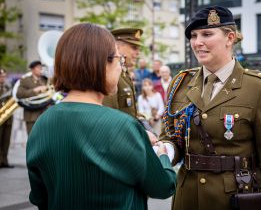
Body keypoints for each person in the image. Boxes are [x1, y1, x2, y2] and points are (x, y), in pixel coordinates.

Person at [26, 23, 176, 209]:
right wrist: (162, 157)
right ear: (100, 63)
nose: (121, 68)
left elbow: (40, 197)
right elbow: (163, 186)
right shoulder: (122, 126)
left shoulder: (42, 123)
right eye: (118, 60)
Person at [159, 6, 261, 209]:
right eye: (193, 35)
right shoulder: (181, 83)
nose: (197, 42)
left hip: (234, 197)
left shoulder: (257, 88)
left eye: (207, 34)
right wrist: (165, 148)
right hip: (188, 197)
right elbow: (170, 136)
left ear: (229, 38)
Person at [102, 28, 142, 117]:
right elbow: (111, 115)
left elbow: (129, 110)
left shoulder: (124, 72)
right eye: (134, 48)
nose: (138, 53)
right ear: (116, 46)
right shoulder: (110, 74)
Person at [16, 61, 49, 134]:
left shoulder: (45, 80)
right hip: (32, 116)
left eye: (41, 67)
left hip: (44, 114)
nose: (41, 69)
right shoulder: (25, 80)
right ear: (32, 69)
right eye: (38, 68)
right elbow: (19, 94)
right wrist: (34, 90)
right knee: (32, 139)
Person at [0, 68, 14, 168]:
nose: (3, 78)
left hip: (7, 117)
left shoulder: (8, 86)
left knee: (6, 140)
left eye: (4, 76)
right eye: (1, 76)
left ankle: (5, 161)